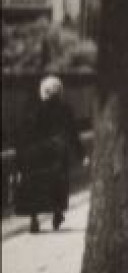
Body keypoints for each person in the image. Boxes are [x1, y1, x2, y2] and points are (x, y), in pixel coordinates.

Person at [15, 76, 84, 233]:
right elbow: (73, 133)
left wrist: (20, 160)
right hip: (57, 153)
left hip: (35, 154)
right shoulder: (66, 109)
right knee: (58, 184)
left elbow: (22, 136)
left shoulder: (32, 109)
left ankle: (34, 218)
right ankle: (57, 212)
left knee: (35, 185)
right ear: (59, 92)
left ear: (43, 92)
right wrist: (81, 154)